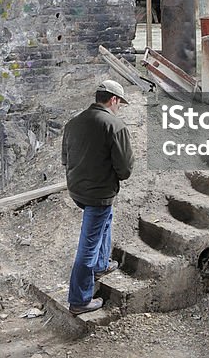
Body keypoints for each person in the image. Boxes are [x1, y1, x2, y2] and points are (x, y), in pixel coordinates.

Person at [61, 79, 134, 314]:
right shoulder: (114, 125)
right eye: (119, 103)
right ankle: (79, 300)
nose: (119, 107)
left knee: (105, 218)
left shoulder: (73, 123)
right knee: (88, 245)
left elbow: (65, 159)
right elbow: (125, 170)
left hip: (77, 190)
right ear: (113, 100)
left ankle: (102, 265)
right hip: (98, 194)